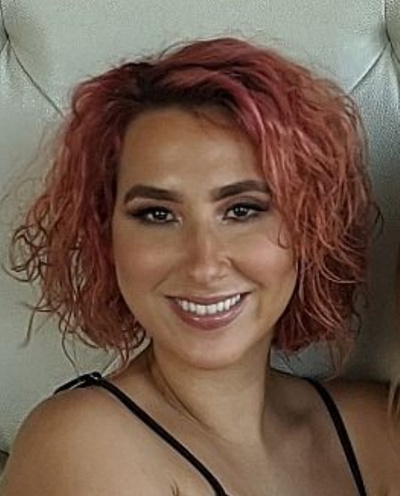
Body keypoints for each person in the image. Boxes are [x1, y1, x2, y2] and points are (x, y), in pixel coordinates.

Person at [1, 37, 398, 495]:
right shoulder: (81, 445)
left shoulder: (377, 431)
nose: (204, 264)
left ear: (310, 227)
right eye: (157, 214)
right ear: (105, 237)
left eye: (242, 210)